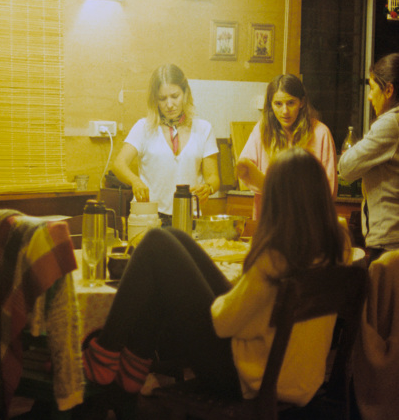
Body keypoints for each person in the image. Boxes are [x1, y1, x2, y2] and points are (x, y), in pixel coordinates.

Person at [83, 147, 350, 406]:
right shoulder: (337, 246)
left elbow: (223, 323)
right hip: (297, 377)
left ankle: (105, 351)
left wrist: (218, 297)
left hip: (245, 378)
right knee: (173, 237)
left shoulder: (275, 257)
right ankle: (134, 361)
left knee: (155, 242)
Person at [112, 64, 220, 227]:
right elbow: (119, 164)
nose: (169, 104)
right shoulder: (144, 127)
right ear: (155, 100)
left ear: (185, 93)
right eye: (162, 99)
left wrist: (208, 188)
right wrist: (135, 181)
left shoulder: (204, 129)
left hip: (188, 217)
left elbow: (213, 177)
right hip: (149, 217)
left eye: (175, 96)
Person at [236, 74, 337, 220]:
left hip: (307, 220)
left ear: (302, 102)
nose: (285, 111)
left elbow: (328, 189)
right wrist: (253, 175)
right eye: (278, 104)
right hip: (270, 219)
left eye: (291, 103)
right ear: (270, 104)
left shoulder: (320, 133)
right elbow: (245, 171)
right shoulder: (262, 130)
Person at [339, 53, 399, 263]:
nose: (369, 97)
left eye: (372, 88)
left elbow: (346, 167)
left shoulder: (390, 124)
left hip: (389, 239)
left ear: (389, 90)